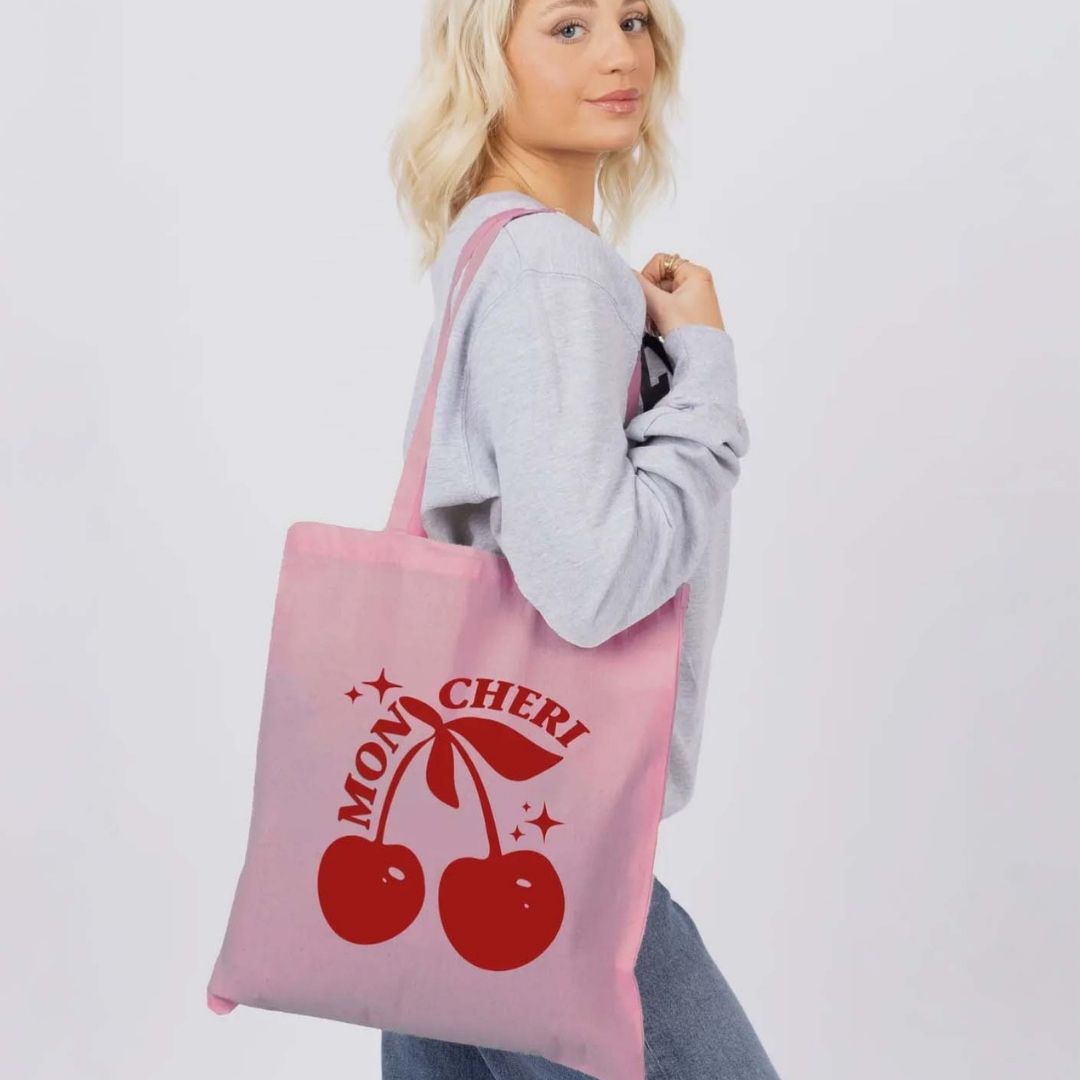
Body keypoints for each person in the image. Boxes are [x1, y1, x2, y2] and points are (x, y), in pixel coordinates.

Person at [381, 1, 780, 1076]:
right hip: (545, 859)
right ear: (485, 58)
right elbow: (591, 583)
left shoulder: (490, 249)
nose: (618, 54)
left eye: (634, 19)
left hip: (442, 846)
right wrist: (703, 366)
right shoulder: (548, 268)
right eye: (568, 26)